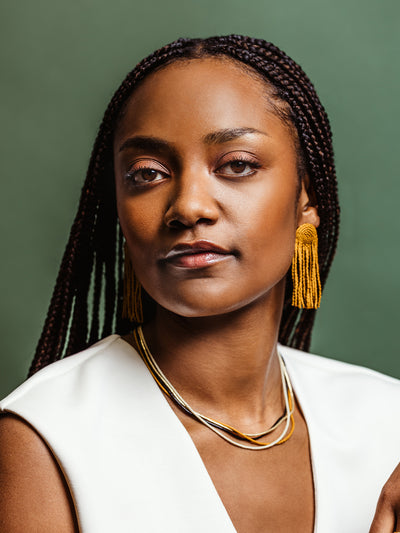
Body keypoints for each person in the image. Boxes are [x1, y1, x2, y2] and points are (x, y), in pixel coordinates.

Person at [0, 34, 399, 533]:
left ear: (306, 198)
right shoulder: (45, 438)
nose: (188, 206)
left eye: (237, 165)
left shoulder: (387, 423)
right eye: (147, 173)